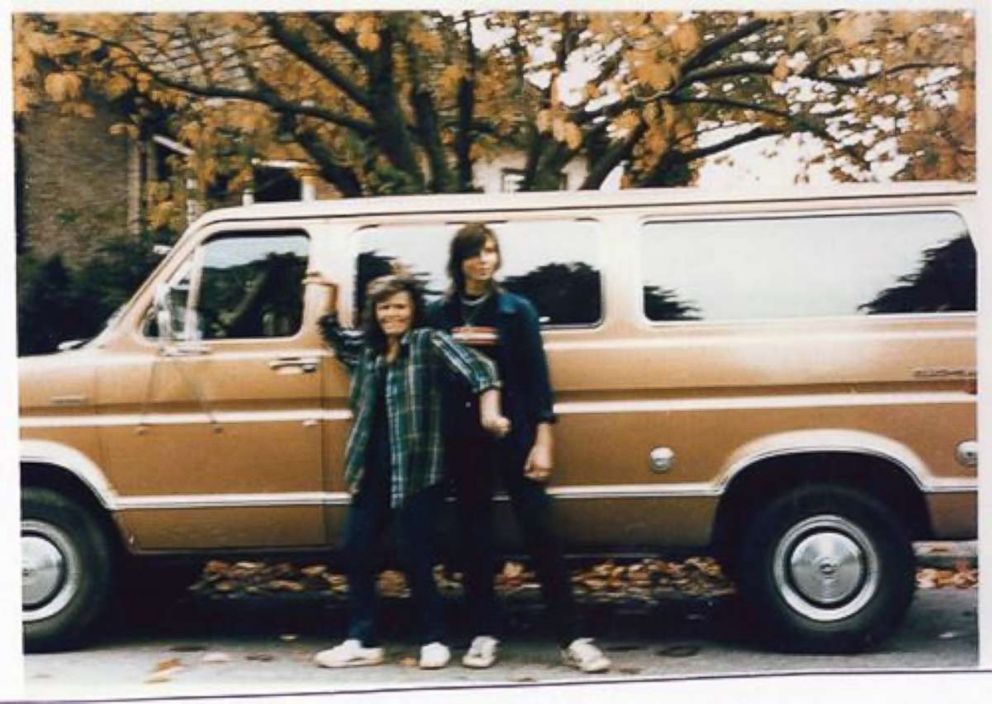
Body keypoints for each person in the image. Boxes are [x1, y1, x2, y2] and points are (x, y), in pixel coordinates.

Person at [427, 223, 611, 673]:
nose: (483, 260)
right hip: (463, 441)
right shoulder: (439, 313)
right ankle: (483, 633)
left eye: (490, 251)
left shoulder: (516, 310)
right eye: (474, 253)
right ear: (460, 261)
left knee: (541, 533)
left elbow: (537, 380)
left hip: (516, 434)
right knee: (475, 538)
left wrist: (543, 440)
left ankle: (572, 637)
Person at [313, 274, 509, 670]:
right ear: (375, 312)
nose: (392, 314)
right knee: (356, 548)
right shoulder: (368, 351)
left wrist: (491, 412)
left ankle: (433, 638)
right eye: (384, 307)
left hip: (418, 467)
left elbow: (482, 370)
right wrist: (329, 295)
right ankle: (362, 639)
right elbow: (332, 335)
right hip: (371, 468)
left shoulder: (428, 343)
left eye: (400, 306)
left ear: (414, 309)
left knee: (415, 553)